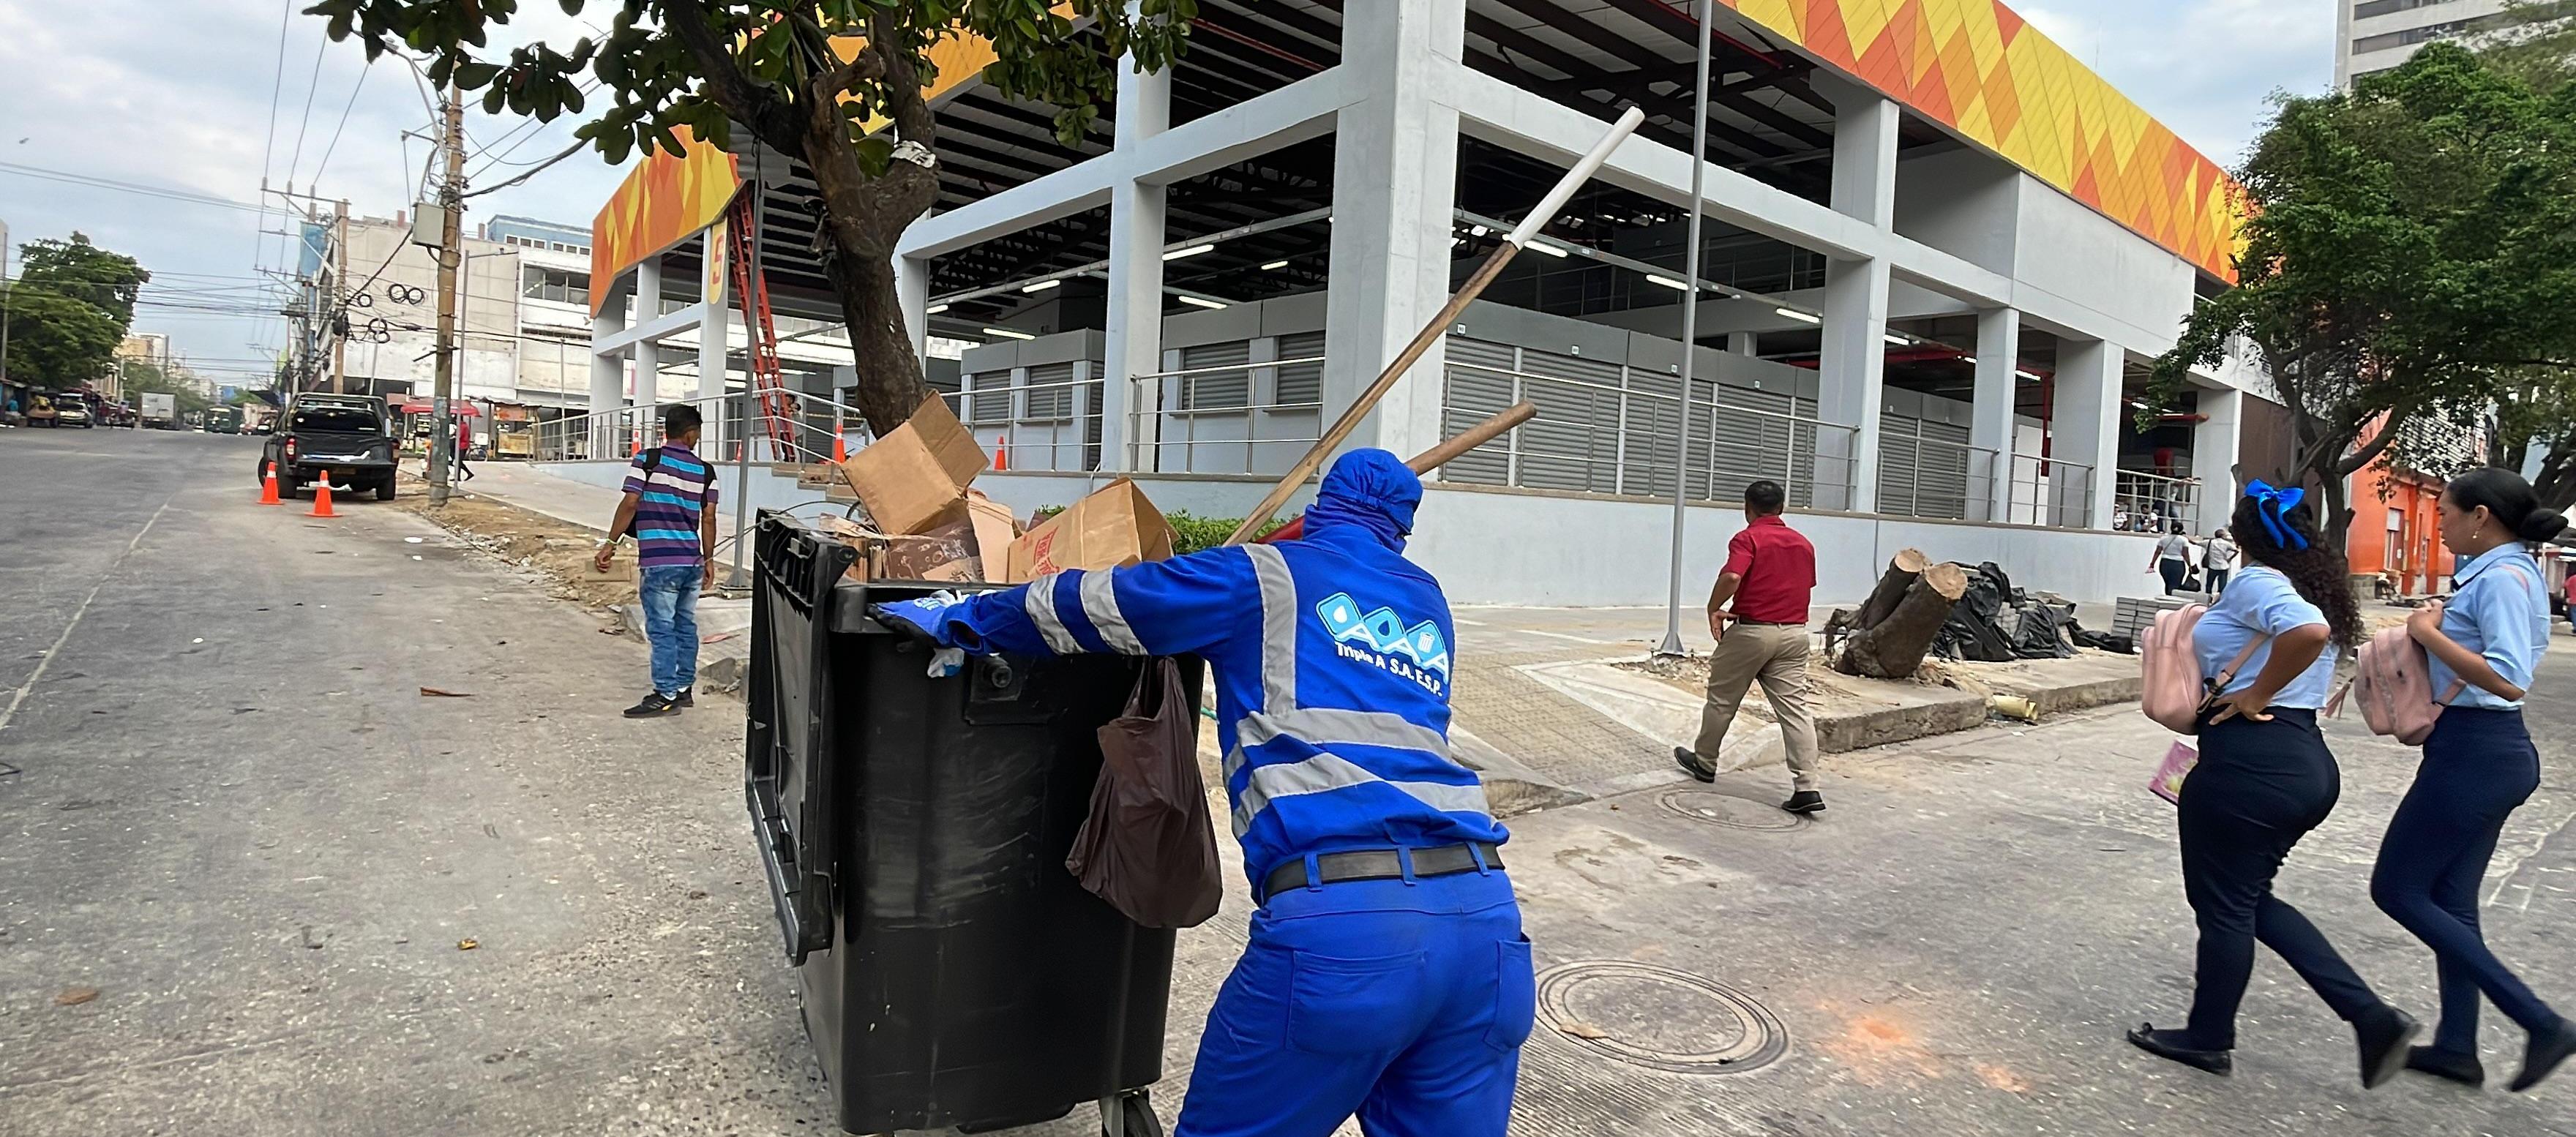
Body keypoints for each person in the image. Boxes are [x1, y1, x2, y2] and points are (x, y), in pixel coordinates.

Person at [870, 450, 1529, 1137]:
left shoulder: (1262, 578)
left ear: (1320, 507)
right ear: (1401, 529)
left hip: (1349, 934)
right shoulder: (1428, 604)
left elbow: (1099, 605)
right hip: (1485, 931)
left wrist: (965, 616)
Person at [2128, 482, 2421, 1086]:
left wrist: (2254, 694)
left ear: (2241, 537)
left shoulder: (2258, 582)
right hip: (2300, 761)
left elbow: (2306, 632)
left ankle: (2209, 1037)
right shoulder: (2306, 585)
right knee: (2246, 900)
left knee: (2224, 907)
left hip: (2250, 764)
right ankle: (2372, 1019)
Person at [2373, 467, 2574, 1092]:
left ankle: (2541, 1022)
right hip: (2475, 751)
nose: (2440, 525)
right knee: (2451, 901)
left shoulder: (2505, 578)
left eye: (2446, 514)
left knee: (2397, 889)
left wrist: (2426, 634)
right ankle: (2458, 1048)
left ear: (2481, 516)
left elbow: (2509, 678)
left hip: (2479, 753)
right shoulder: (2496, 574)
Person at [1671, 481, 1824, 814]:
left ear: (1747, 508)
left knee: (1722, 700)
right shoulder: (1804, 543)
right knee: (1795, 710)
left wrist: (1713, 607)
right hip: (1794, 635)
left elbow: (1733, 577)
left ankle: (1705, 762)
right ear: (1782, 508)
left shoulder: (1748, 538)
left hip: (1752, 632)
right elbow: (1804, 585)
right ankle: (1807, 786)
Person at [594, 405, 719, 718]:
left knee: (662, 629)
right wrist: (709, 559)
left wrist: (611, 543)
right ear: (690, 433)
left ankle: (665, 695)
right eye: (697, 434)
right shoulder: (706, 471)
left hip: (660, 561)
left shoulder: (647, 460)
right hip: (691, 561)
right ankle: (683, 688)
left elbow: (631, 502)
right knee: (684, 625)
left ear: (667, 431)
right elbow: (709, 518)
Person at [2149, 521, 2195, 596]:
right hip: (2178, 564)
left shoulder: (2163, 539)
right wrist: (2189, 565)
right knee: (2176, 583)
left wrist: (2152, 564)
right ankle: (2172, 597)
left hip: (2165, 562)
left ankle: (2168, 595)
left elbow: (2157, 552)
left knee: (2167, 583)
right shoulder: (2183, 540)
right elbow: (2185, 554)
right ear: (2181, 530)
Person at [2203, 527, 2239, 598]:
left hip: (2212, 567)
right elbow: (2236, 550)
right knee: (2222, 586)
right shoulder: (2226, 543)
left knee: (2209, 585)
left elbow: (2195, 543)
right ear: (2222, 536)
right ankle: (2220, 599)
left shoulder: (2209, 542)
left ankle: (2208, 598)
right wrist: (2229, 559)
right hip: (2223, 567)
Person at [453, 415, 476, 483]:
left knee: (459, 462)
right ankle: (458, 477)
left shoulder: (462, 426)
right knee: (458, 462)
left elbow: (459, 435)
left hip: (462, 446)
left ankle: (469, 473)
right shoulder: (463, 426)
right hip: (462, 445)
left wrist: (454, 436)